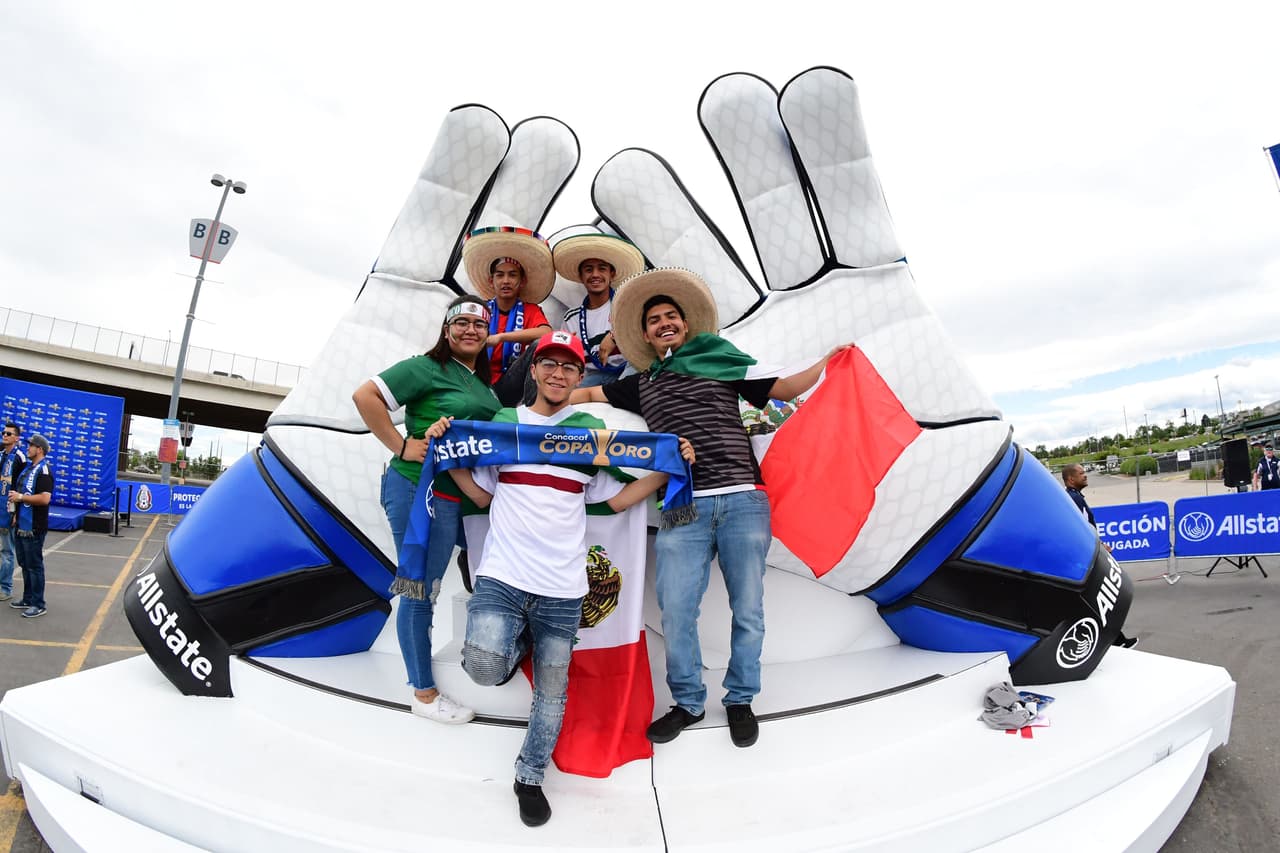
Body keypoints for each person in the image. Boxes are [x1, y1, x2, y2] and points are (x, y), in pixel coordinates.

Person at [571, 268, 848, 749]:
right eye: (654, 320)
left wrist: (827, 362)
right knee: (677, 612)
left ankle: (740, 699)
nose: (664, 323)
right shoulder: (641, 383)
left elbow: (782, 389)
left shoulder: (718, 359)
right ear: (646, 335)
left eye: (670, 316)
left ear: (685, 324)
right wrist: (543, 400)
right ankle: (688, 703)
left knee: (748, 609)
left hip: (743, 498)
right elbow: (590, 394)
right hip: (683, 505)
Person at [437, 330, 687, 827]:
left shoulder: (590, 432)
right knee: (483, 666)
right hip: (503, 577)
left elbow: (613, 501)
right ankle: (520, 643)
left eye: (569, 366)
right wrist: (448, 452)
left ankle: (529, 777)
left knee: (553, 693)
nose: (558, 373)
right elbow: (482, 497)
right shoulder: (506, 424)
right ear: (533, 370)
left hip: (564, 590)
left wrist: (668, 468)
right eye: (549, 363)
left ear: (578, 376)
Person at [352, 294, 501, 724]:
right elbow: (365, 395)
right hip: (421, 490)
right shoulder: (426, 367)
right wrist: (401, 445)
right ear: (446, 329)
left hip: (459, 495)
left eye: (479, 324)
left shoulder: (480, 382)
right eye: (462, 322)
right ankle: (423, 693)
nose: (470, 330)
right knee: (420, 588)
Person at [461, 226, 555, 405]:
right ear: (491, 281)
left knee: (539, 346)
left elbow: (546, 334)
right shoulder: (480, 309)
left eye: (512, 275)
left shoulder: (530, 310)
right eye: (500, 275)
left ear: (522, 281)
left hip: (509, 384)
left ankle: (533, 411)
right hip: (477, 382)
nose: (506, 281)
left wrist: (501, 337)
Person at [551, 233, 645, 387]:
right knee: (569, 392)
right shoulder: (571, 318)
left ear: (612, 274)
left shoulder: (627, 305)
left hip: (630, 370)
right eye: (588, 270)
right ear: (581, 276)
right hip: (592, 378)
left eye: (602, 269)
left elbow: (646, 335)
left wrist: (614, 336)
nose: (595, 274)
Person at [7, 433, 53, 618]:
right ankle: (27, 598)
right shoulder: (28, 469)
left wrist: (20, 497)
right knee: (25, 564)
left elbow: (44, 498)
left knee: (34, 566)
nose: (28, 448)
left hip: (34, 526)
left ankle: (38, 603)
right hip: (21, 524)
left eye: (31, 445)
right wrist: (15, 514)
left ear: (39, 449)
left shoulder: (44, 470)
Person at [0, 422, 27, 603]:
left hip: (8, 508)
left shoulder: (19, 457)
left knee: (6, 550)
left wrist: (16, 512)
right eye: (3, 432)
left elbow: (21, 486)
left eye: (9, 433)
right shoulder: (1, 454)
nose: (5, 435)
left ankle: (5, 588)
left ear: (16, 438)